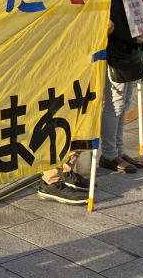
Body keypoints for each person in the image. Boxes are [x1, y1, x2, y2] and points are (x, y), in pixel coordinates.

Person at [37, 18, 115, 204]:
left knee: (83, 118)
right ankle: (51, 180)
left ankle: (66, 169)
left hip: (83, 61)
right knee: (61, 120)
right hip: (61, 61)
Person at [99, 0, 143, 174]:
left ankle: (117, 150)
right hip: (116, 55)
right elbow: (113, 27)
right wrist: (135, 37)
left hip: (127, 53)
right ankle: (109, 154)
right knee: (115, 105)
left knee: (123, 103)